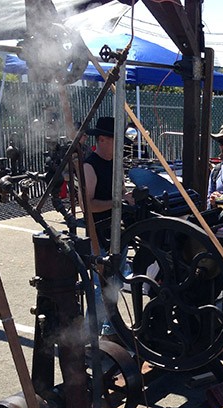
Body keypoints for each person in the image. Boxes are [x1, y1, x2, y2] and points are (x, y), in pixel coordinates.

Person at [82, 116, 134, 339]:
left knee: (115, 284)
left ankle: (109, 329)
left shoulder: (116, 163)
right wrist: (117, 203)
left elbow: (120, 194)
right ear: (102, 139)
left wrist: (127, 198)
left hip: (117, 232)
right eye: (115, 139)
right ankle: (87, 336)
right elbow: (89, 205)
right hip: (98, 234)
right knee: (101, 287)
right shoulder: (89, 166)